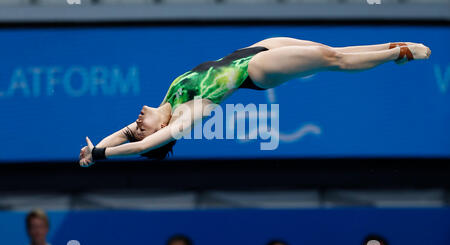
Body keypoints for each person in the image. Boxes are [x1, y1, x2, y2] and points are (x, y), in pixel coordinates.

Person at [78, 37, 431, 166]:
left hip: (251, 50)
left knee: (330, 53)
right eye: (141, 129)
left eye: (135, 126)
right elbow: (144, 145)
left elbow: (126, 137)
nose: (136, 123)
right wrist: (101, 155)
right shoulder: (187, 115)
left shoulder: (166, 103)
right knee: (332, 61)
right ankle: (398, 54)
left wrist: (95, 153)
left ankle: (385, 49)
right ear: (160, 131)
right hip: (257, 70)